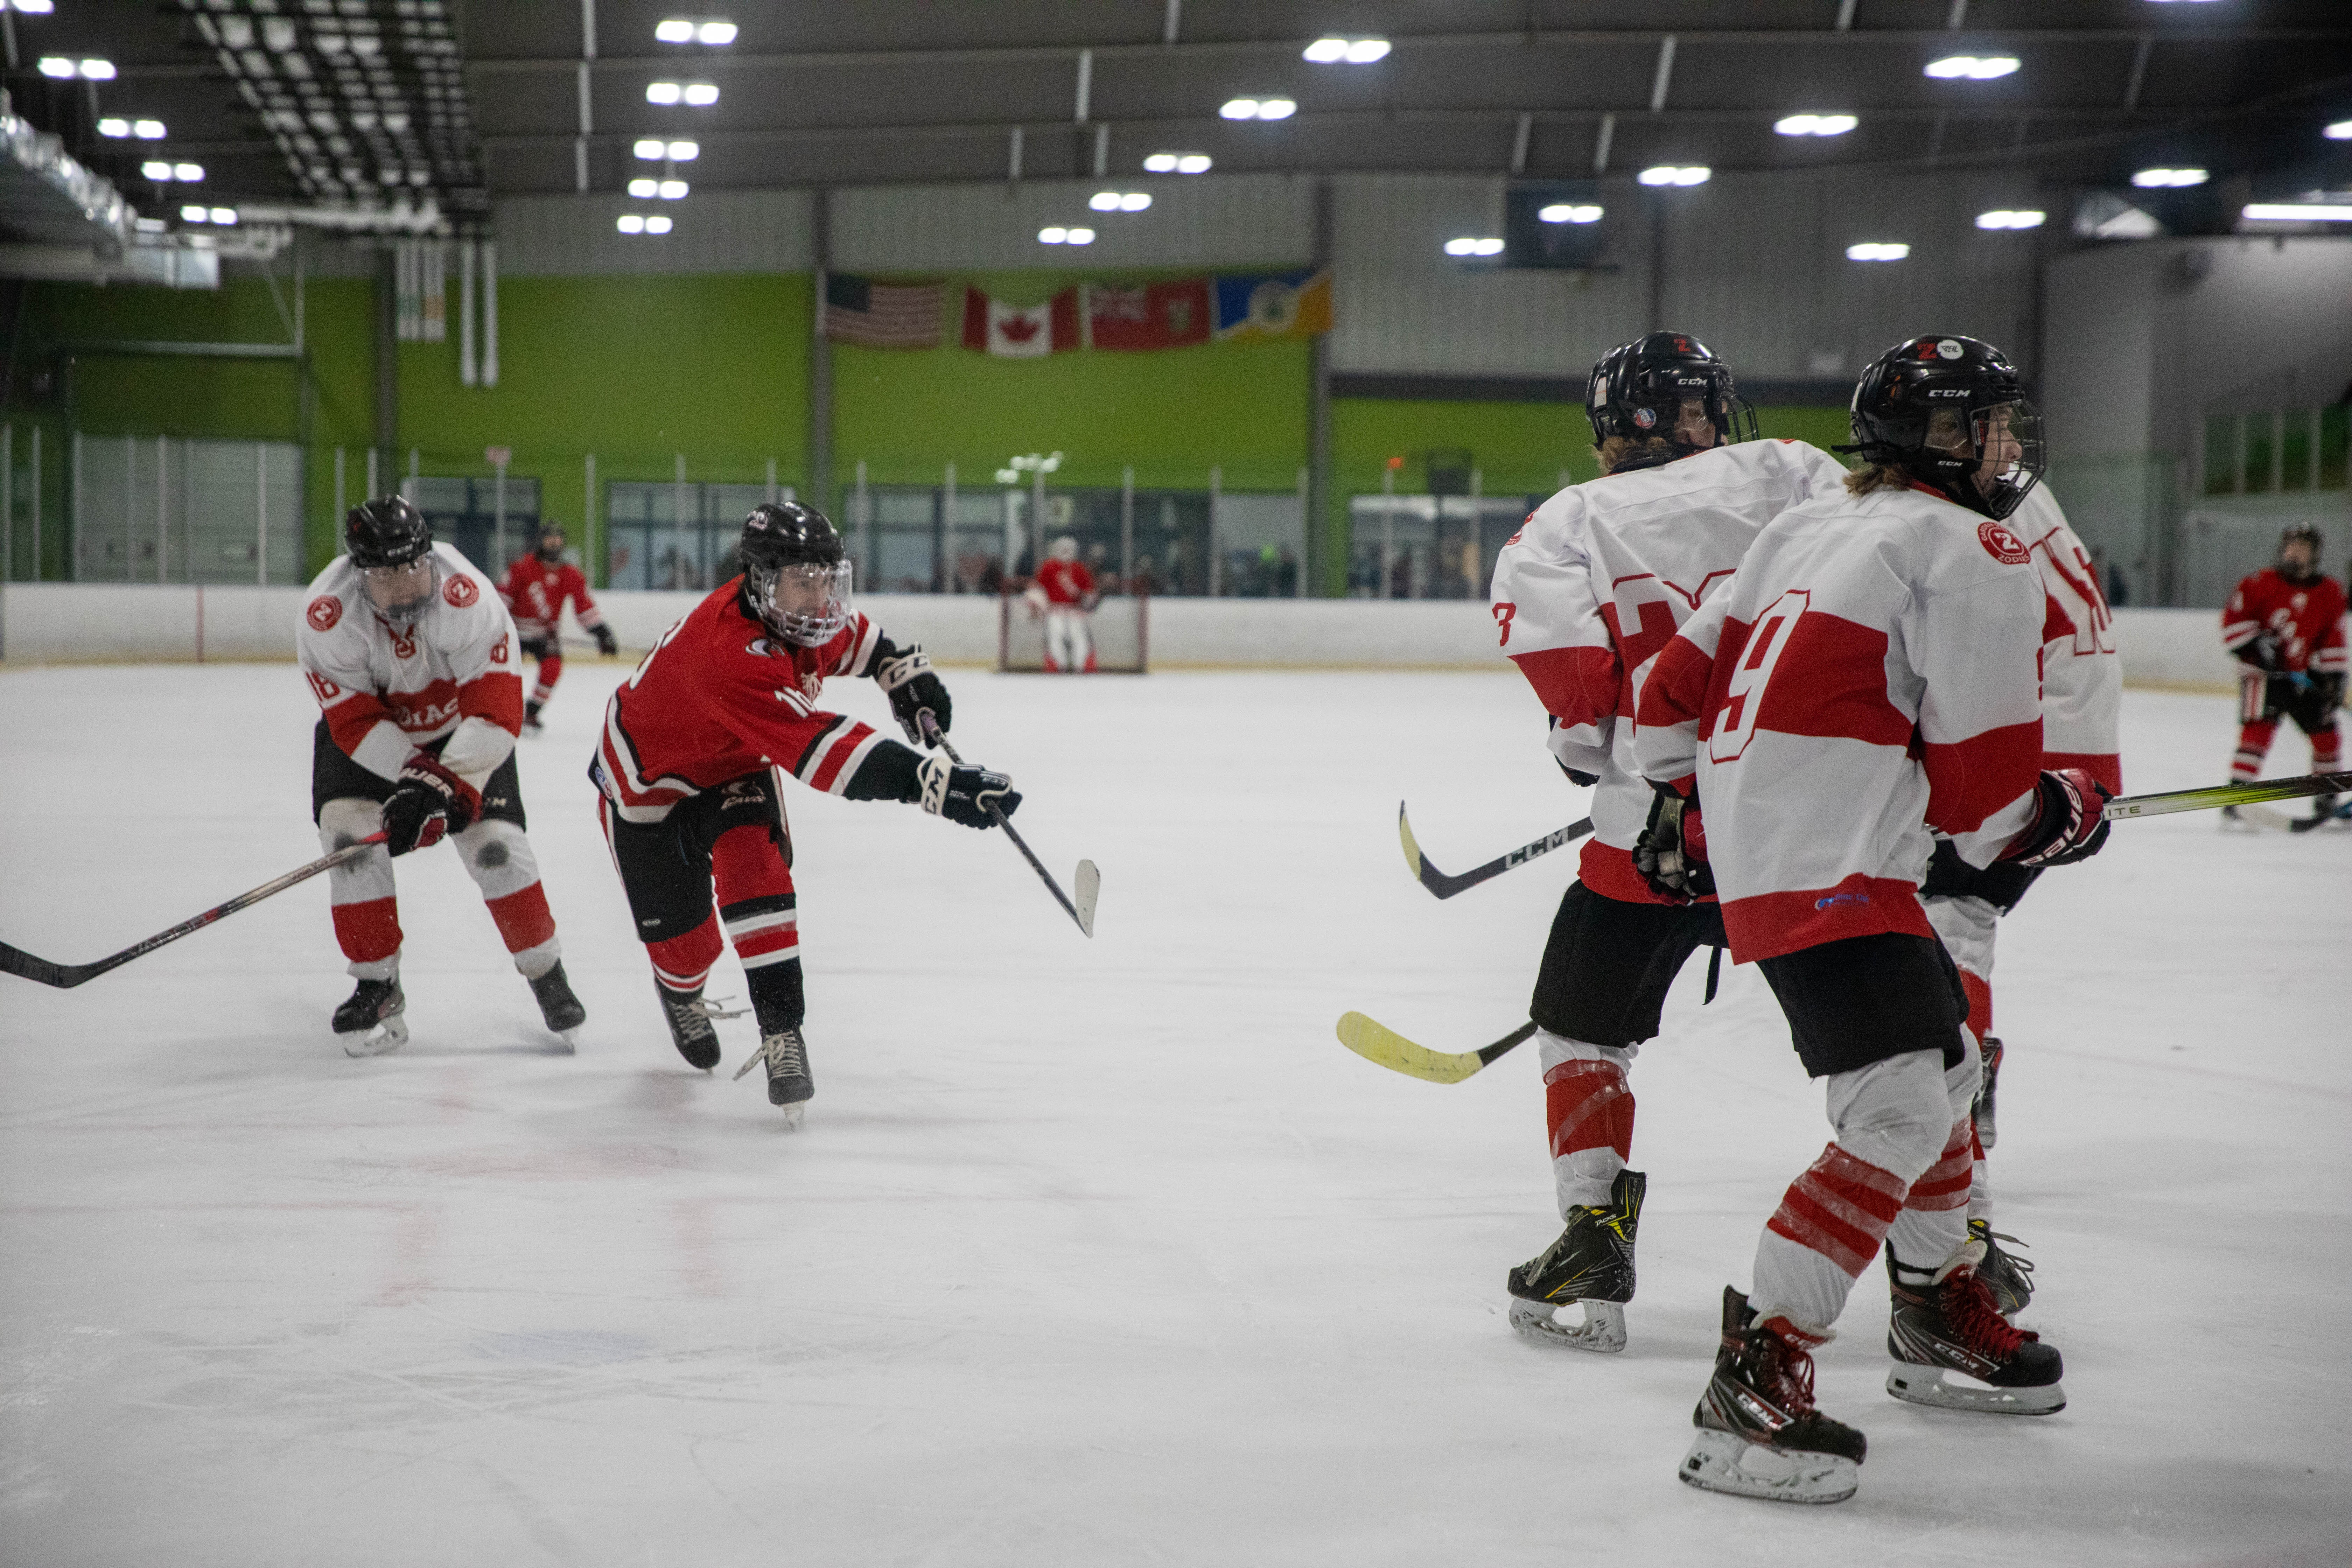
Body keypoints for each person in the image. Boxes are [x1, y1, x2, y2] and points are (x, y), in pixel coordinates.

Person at [1632, 336, 2110, 1504]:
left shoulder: (1799, 529)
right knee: (1898, 1109)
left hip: (1804, 861)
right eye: (1993, 424)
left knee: (1942, 1067)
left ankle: (1938, 1309)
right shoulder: (1979, 548)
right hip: (1835, 867)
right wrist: (2065, 813)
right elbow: (1983, 804)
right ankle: (1758, 1379)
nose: (2009, 445)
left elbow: (1661, 710)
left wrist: (1694, 804)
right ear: (1951, 441)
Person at [1487, 331, 1852, 1353]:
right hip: (1808, 833)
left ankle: (1593, 1232)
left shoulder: (1559, 526)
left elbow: (1582, 730)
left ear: (1610, 427)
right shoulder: (1797, 471)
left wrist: (1620, 762)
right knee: (1892, 1054)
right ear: (1699, 409)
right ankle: (1942, 1259)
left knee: (1578, 1027)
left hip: (1651, 841)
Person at [592, 501, 1019, 1124]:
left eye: (828, 580)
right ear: (761, 582)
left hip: (733, 765)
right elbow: (829, 753)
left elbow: (856, 640)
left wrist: (899, 669)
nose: (821, 599)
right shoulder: (727, 655)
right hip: (648, 786)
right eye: (804, 582)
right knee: (688, 951)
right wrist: (934, 783)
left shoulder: (795, 614)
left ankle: (782, 1034)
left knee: (757, 869)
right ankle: (680, 991)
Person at [1917, 480, 2122, 1315]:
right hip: (2072, 756)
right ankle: (1973, 1079)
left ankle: (1959, 1192)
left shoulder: (1967, 512)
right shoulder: (2021, 502)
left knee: (1942, 924)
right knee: (1963, 920)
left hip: (2027, 759)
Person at [297, 496, 586, 1055]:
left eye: (414, 568)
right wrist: (411, 781)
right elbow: (353, 721)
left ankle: (548, 974)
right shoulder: (326, 616)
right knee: (350, 840)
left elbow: (499, 711)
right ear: (360, 576)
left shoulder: (468, 598)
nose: (407, 587)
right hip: (373, 743)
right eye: (388, 576)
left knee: (496, 849)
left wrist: (437, 785)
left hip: (465, 735)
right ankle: (376, 982)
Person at [2220, 523, 2345, 827]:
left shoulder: (2330, 592)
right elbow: (2233, 625)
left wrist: (2334, 679)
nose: (2295, 553)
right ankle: (2236, 802)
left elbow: (2333, 639)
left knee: (2326, 734)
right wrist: (2256, 645)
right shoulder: (2258, 583)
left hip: (2304, 676)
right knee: (2257, 734)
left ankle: (2327, 801)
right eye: (2291, 546)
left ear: (2315, 555)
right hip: (2263, 678)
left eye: (2303, 548)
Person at [496, 522, 617, 735]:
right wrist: (498, 629)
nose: (554, 543)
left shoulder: (571, 575)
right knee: (502, 674)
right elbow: (500, 601)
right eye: (549, 538)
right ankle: (499, 712)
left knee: (552, 669)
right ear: (540, 542)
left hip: (545, 636)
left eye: (558, 538)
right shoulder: (521, 569)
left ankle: (531, 713)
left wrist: (602, 632)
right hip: (514, 634)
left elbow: (584, 608)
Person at [1028, 535, 1098, 672]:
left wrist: (1086, 603)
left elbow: (1090, 593)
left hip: (1075, 612)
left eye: (1069, 549)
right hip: (1054, 610)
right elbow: (1037, 588)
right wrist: (1038, 606)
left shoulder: (1080, 569)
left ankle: (1081, 666)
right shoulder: (1048, 567)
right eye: (1063, 549)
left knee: (1079, 637)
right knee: (1055, 636)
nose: (1066, 552)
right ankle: (1059, 666)